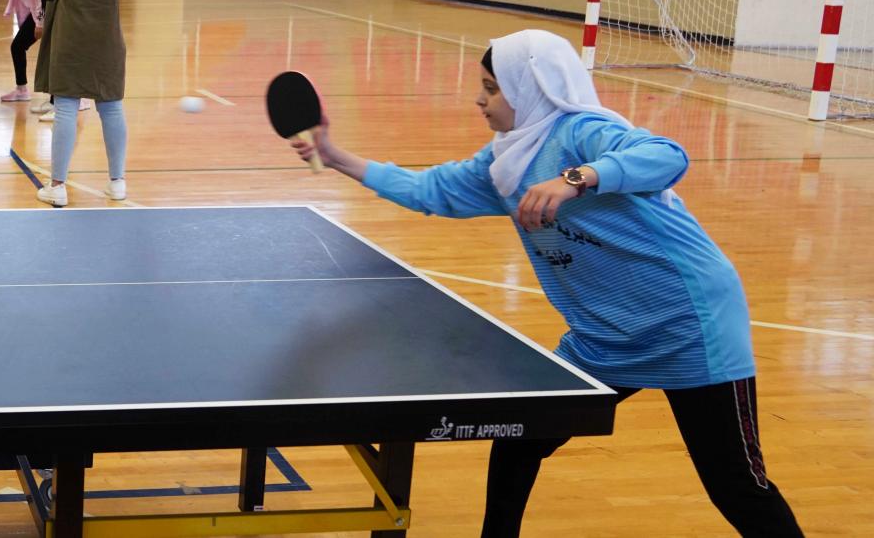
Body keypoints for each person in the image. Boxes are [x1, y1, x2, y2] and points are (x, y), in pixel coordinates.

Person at [287, 29, 804, 538]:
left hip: (688, 325)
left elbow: (668, 156)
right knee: (522, 436)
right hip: (603, 335)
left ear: (530, 86)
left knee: (735, 486)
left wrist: (576, 178)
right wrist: (336, 157)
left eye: (492, 87)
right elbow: (430, 190)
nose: (479, 99)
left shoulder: (583, 131)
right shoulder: (504, 163)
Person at [34, 0, 129, 207]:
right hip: (108, 36)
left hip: (72, 34)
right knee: (112, 107)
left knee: (66, 108)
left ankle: (57, 186)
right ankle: (117, 182)